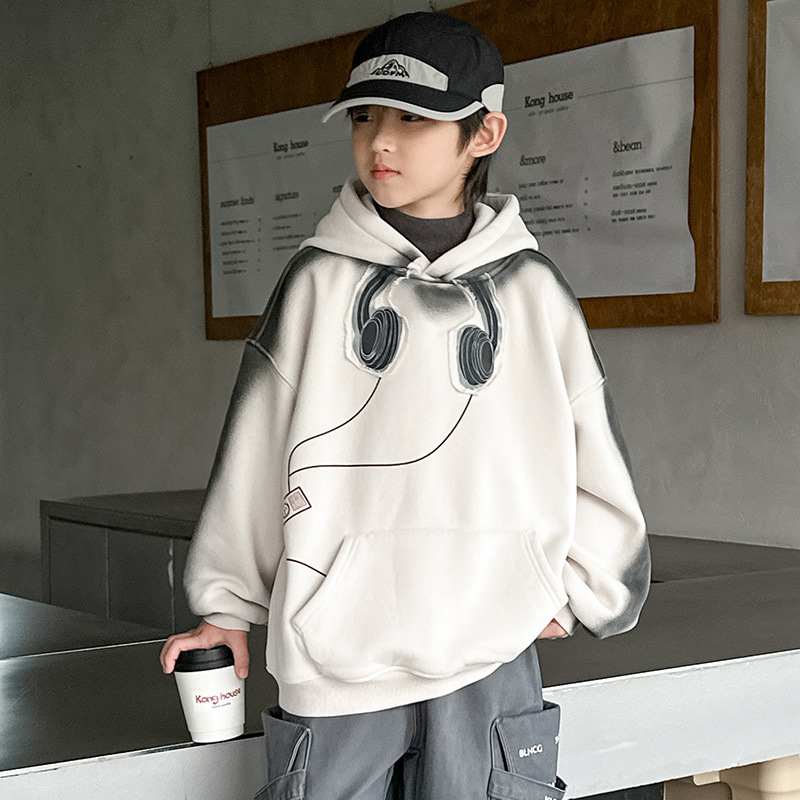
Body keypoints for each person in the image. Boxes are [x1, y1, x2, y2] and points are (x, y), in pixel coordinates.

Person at [161, 11, 650, 800]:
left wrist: (575, 592)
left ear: (484, 133)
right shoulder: (316, 283)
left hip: (491, 657)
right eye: (365, 117)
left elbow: (594, 451)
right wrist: (224, 609)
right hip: (336, 661)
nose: (380, 142)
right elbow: (255, 454)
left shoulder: (534, 292)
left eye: (414, 120)